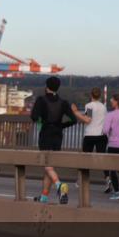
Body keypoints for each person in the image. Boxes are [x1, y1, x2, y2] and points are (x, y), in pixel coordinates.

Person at [30, 76, 78, 204]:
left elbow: (34, 117)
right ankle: (44, 197)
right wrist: (61, 125)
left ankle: (59, 185)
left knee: (47, 164)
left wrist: (42, 121)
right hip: (58, 135)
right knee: (49, 166)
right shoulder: (63, 102)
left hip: (46, 133)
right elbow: (74, 120)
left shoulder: (41, 99)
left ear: (47, 86)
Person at [73, 88, 108, 189]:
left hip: (90, 135)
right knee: (102, 159)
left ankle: (80, 180)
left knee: (85, 158)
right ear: (100, 95)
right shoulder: (103, 107)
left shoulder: (89, 105)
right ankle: (108, 179)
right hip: (101, 135)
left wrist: (76, 112)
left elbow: (87, 119)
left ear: (91, 95)